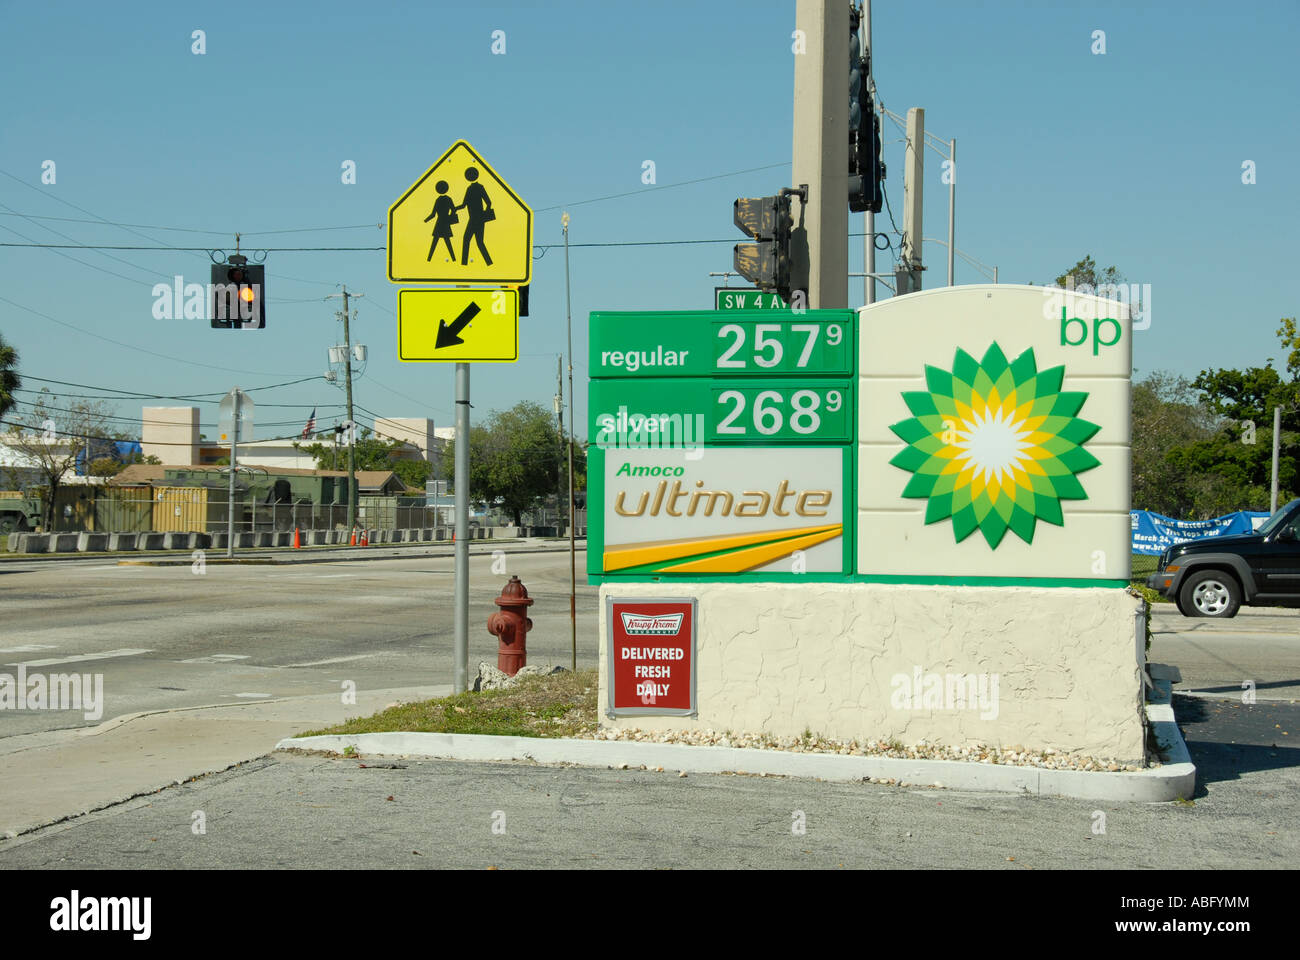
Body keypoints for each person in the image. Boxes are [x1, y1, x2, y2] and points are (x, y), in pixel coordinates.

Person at [456, 167, 493, 266]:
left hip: (475, 219)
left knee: (469, 240)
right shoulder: (474, 188)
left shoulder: (475, 188)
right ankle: (488, 262)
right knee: (478, 242)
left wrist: (484, 215)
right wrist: (484, 214)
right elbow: (488, 203)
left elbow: (488, 202)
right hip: (477, 219)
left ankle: (464, 263)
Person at [423, 180, 458, 262]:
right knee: (447, 242)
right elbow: (454, 210)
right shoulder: (449, 199)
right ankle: (453, 259)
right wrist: (449, 217)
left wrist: (425, 220)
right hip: (445, 223)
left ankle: (429, 259)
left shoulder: (438, 200)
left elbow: (433, 214)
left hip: (439, 223)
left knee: (435, 242)